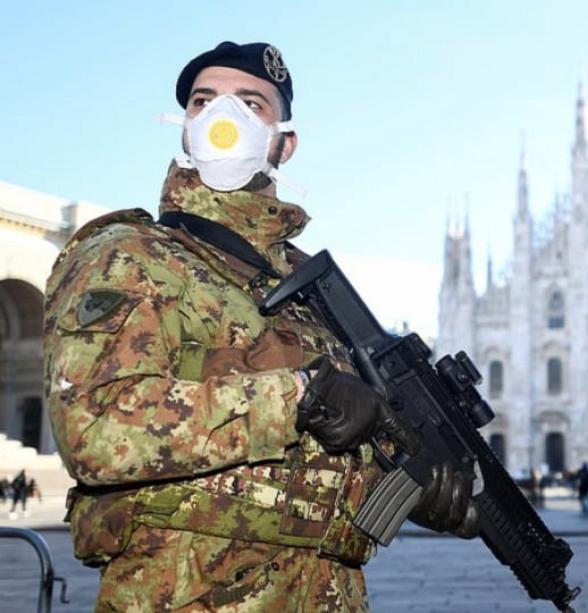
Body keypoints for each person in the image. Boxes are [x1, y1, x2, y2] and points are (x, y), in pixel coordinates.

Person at [43, 41, 478, 611]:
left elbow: (319, 459)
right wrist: (297, 398)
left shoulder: (311, 287)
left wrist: (409, 488)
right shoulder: (128, 254)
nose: (226, 120)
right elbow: (93, 430)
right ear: (185, 127)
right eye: (204, 101)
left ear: (284, 141)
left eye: (252, 104)